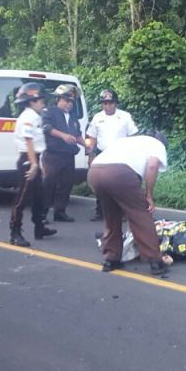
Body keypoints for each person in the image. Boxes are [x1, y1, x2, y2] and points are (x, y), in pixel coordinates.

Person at [88, 130, 169, 276]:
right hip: (119, 173)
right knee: (140, 216)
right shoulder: (157, 144)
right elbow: (152, 166)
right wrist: (149, 194)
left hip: (95, 172)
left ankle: (110, 259)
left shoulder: (127, 141)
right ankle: (155, 261)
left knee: (111, 216)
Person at [9, 83, 57, 247]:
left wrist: (38, 162)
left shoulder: (34, 116)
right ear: (32, 101)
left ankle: (39, 227)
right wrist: (34, 164)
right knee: (22, 198)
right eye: (41, 100)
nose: (43, 103)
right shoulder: (28, 118)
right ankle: (15, 233)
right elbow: (28, 141)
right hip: (27, 160)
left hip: (33, 158)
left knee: (39, 196)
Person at [86, 88, 138, 221]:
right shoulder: (98, 117)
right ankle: (100, 211)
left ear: (115, 103)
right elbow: (92, 137)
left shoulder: (125, 116)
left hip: (120, 155)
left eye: (110, 103)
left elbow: (133, 136)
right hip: (102, 154)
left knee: (120, 184)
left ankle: (122, 212)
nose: (108, 106)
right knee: (101, 184)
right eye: (105, 103)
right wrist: (91, 155)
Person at [41, 84, 83, 222]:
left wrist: (87, 146)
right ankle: (42, 214)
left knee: (66, 184)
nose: (69, 104)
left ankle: (60, 212)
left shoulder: (73, 117)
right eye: (66, 100)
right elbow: (47, 128)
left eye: (71, 102)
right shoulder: (49, 111)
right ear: (58, 99)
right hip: (53, 155)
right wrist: (63, 136)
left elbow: (77, 135)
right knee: (48, 184)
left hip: (68, 155)